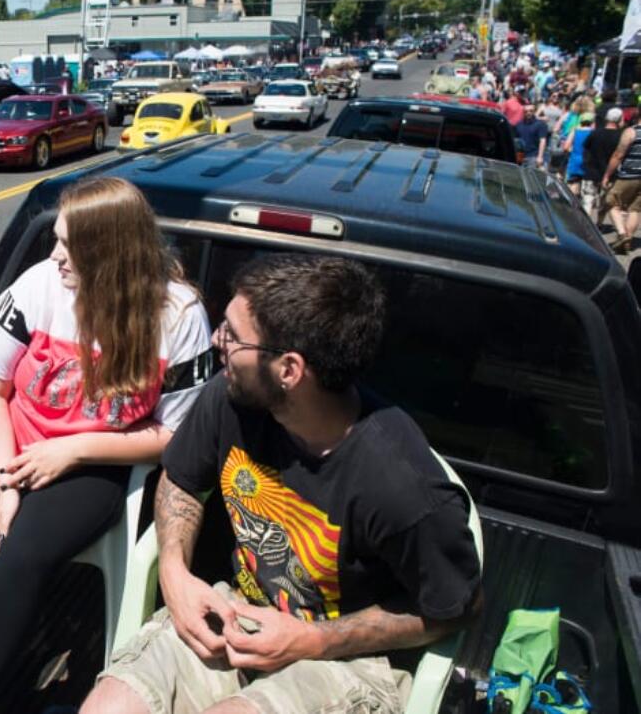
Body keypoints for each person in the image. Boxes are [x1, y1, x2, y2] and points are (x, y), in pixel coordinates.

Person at [82, 253, 482, 714]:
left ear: (289, 370)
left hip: (349, 661)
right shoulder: (231, 398)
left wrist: (311, 639)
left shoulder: (403, 488)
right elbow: (182, 480)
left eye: (233, 334)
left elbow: (458, 606)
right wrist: (174, 571)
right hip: (237, 617)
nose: (217, 340)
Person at [0, 177, 213, 714]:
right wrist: (7, 483)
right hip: (13, 436)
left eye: (67, 247)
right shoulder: (36, 287)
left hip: (97, 456)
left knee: (20, 557)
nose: (54, 257)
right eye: (55, 240)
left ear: (111, 255)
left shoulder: (179, 317)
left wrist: (74, 451)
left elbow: (174, 436)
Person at [603, 104, 641, 255]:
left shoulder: (631, 132)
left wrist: (607, 174)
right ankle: (628, 240)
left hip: (629, 175)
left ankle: (622, 234)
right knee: (635, 209)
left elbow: (618, 155)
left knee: (611, 202)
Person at [582, 107, 623, 224]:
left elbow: (585, 148)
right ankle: (599, 223)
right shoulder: (620, 136)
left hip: (591, 170)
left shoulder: (595, 133)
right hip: (610, 173)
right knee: (604, 201)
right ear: (619, 120)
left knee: (588, 200)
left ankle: (586, 225)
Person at [563, 113, 595, 197]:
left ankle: (573, 206)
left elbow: (566, 147)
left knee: (573, 185)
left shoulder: (575, 130)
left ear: (581, 121)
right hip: (588, 162)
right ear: (591, 122)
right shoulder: (593, 132)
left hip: (575, 161)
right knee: (587, 190)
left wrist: (572, 150)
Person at [515, 104, 549, 170]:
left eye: (531, 111)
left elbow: (542, 141)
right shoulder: (519, 124)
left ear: (534, 112)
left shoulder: (540, 124)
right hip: (521, 157)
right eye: (526, 111)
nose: (528, 113)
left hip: (534, 156)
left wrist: (540, 157)